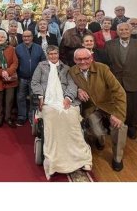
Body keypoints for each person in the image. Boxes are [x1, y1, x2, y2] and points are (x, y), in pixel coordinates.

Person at [31, 46, 92, 179]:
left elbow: (72, 84)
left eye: (55, 54)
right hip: (48, 101)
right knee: (52, 120)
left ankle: (82, 157)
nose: (53, 56)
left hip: (64, 100)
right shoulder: (41, 66)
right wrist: (40, 96)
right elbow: (35, 82)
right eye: (50, 54)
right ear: (47, 55)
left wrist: (68, 97)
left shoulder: (66, 68)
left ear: (58, 54)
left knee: (72, 119)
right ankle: (53, 161)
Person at [70, 48, 127, 172]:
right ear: (75, 60)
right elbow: (68, 87)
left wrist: (118, 114)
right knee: (97, 132)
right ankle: (100, 140)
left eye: (86, 58)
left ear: (91, 58)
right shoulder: (72, 71)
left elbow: (119, 91)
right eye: (79, 59)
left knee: (120, 126)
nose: (83, 61)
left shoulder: (102, 68)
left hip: (108, 105)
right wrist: (78, 90)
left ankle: (117, 158)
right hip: (91, 108)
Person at [105, 22, 137, 140]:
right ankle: (115, 126)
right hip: (115, 80)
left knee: (132, 107)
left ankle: (132, 128)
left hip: (133, 80)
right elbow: (106, 63)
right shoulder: (109, 44)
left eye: (126, 29)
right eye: (121, 30)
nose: (124, 31)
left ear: (130, 31)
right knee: (115, 105)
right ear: (117, 32)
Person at [15, 30, 46, 126]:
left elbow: (43, 61)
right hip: (22, 78)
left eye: (28, 36)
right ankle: (21, 117)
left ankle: (32, 117)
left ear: (32, 37)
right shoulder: (18, 48)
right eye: (24, 36)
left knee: (34, 98)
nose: (26, 38)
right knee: (21, 97)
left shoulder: (38, 48)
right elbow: (15, 63)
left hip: (35, 79)